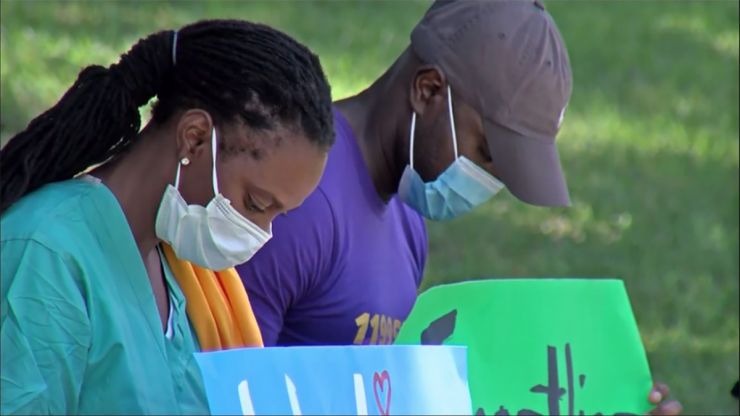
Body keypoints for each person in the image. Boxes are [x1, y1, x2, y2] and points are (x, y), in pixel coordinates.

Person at [234, 1, 682, 414]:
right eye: (487, 153)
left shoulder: (406, 220)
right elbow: (226, 392)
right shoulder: (296, 204)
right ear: (428, 90)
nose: (489, 183)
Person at [0, 19, 333, 414]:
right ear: (194, 137)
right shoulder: (45, 254)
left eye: (279, 215)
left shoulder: (181, 268)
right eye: (256, 204)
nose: (261, 233)